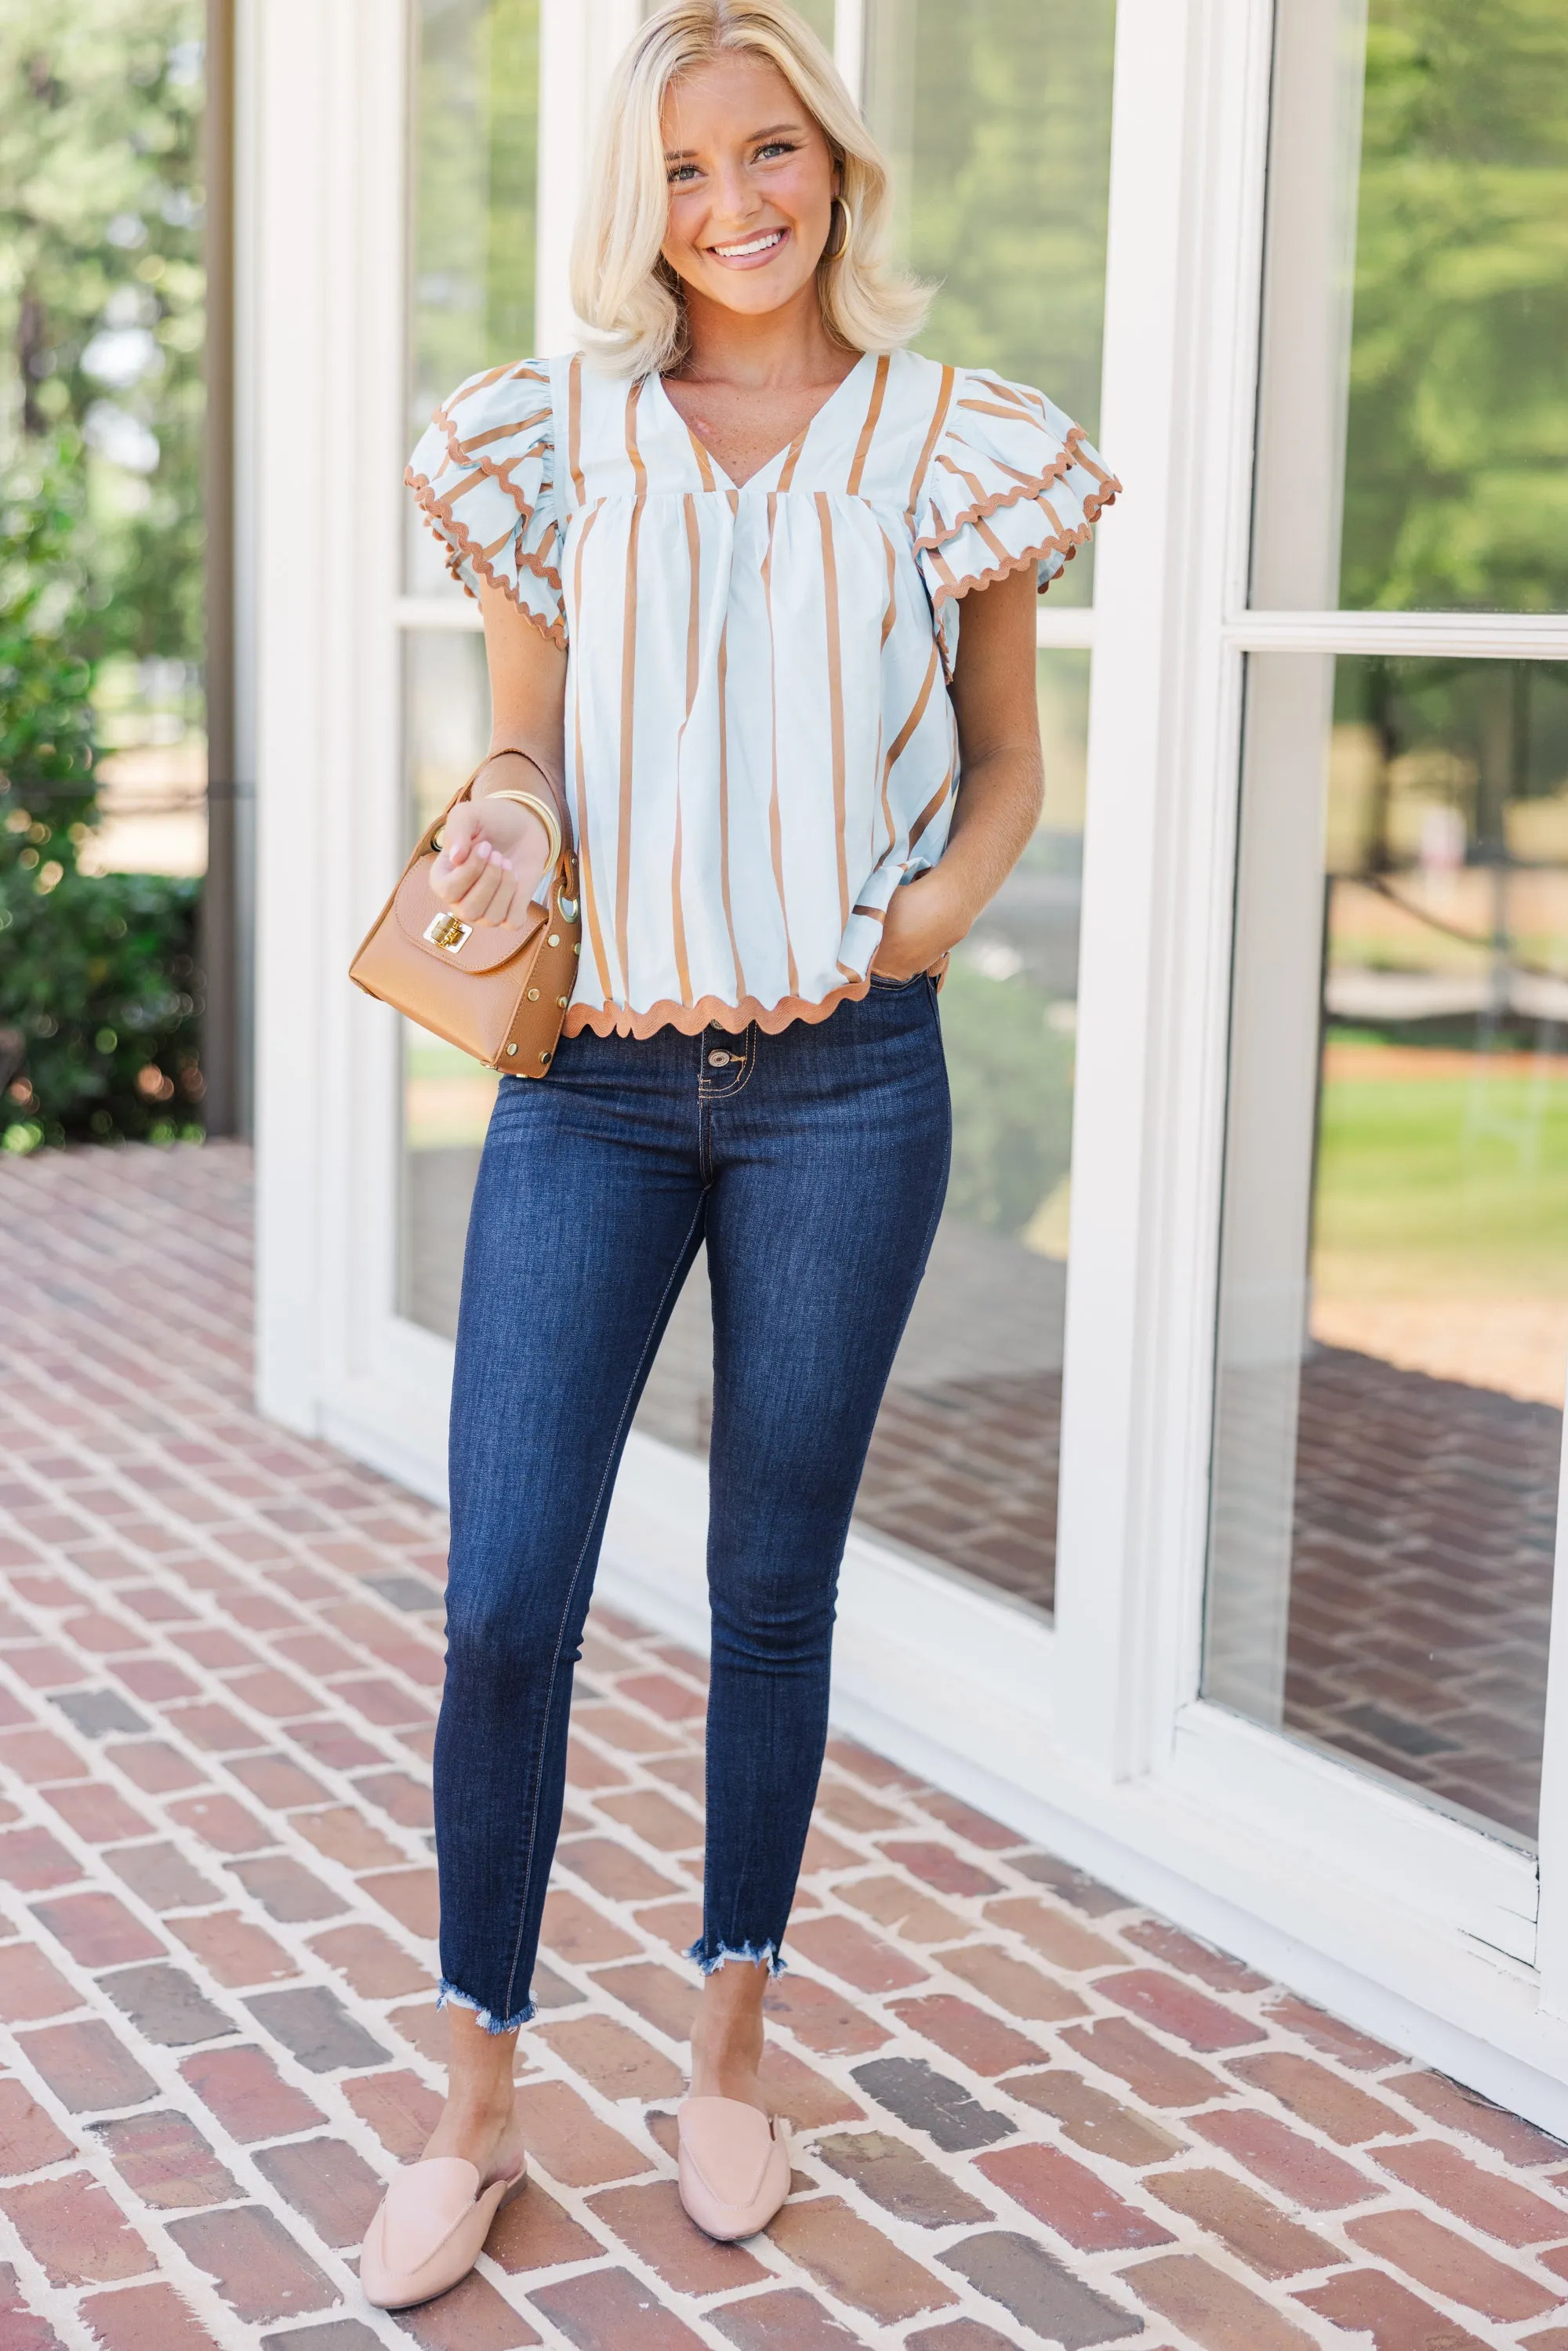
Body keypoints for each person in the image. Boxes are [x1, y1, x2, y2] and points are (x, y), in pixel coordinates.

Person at [360, 0, 1116, 2309]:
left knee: (772, 1590)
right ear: (642, 201)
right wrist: (502, 812)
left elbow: (1006, 763)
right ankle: (477, 2106)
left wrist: (929, 917)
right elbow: (523, 739)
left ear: (834, 167)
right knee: (506, 1601)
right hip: (586, 1080)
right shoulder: (553, 436)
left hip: (846, 1092)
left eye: (768, 152)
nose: (735, 205)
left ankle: (728, 2047)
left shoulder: (950, 445)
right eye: (688, 169)